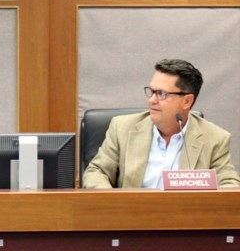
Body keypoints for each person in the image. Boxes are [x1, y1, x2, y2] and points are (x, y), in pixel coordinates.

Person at [82, 59, 240, 189]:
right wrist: (113, 204)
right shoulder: (122, 127)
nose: (152, 100)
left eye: (162, 94)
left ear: (187, 101)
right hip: (131, 219)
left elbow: (230, 185)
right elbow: (97, 171)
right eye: (151, 91)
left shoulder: (215, 138)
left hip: (185, 222)